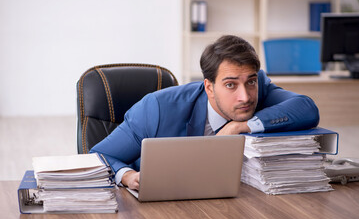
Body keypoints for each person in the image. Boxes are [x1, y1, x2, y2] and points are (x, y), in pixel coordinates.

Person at [90, 35, 320, 191]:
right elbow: (99, 155)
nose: (246, 97)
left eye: (250, 82)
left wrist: (241, 126)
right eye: (230, 85)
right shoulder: (156, 108)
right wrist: (128, 176)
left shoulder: (259, 85)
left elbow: (306, 109)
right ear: (209, 87)